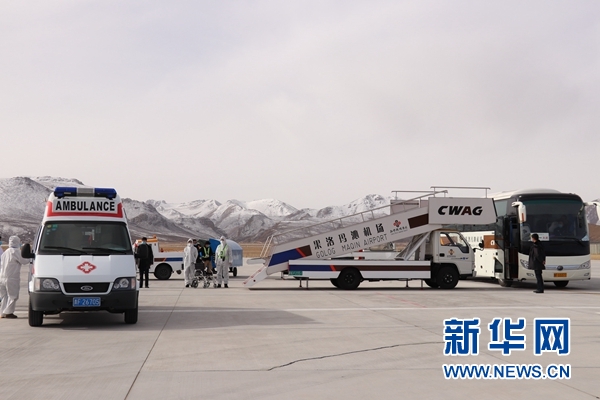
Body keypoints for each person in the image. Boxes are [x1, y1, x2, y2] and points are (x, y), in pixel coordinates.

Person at [0, 236, 33, 318]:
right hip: (11, 277)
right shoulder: (16, 251)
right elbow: (24, 261)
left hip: (2, 277)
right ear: (17, 242)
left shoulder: (6, 252)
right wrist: (32, 257)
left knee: (4, 296)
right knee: (13, 296)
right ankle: (9, 313)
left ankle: (2, 312)